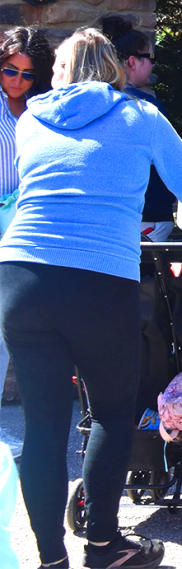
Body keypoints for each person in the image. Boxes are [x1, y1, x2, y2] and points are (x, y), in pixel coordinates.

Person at [0, 28, 182, 569]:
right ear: (114, 67)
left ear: (60, 71)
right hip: (97, 278)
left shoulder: (31, 119)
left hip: (21, 275)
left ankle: (49, 559)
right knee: (113, 414)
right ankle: (104, 546)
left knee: (43, 425)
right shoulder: (140, 116)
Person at [0, 27, 51, 409]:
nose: (18, 80)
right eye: (10, 70)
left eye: (27, 74)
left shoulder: (42, 110)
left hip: (28, 223)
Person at [99, 17, 177, 243]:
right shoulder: (147, 108)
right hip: (147, 212)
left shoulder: (95, 102)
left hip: (107, 213)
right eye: (150, 58)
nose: (153, 65)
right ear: (132, 62)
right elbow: (171, 162)